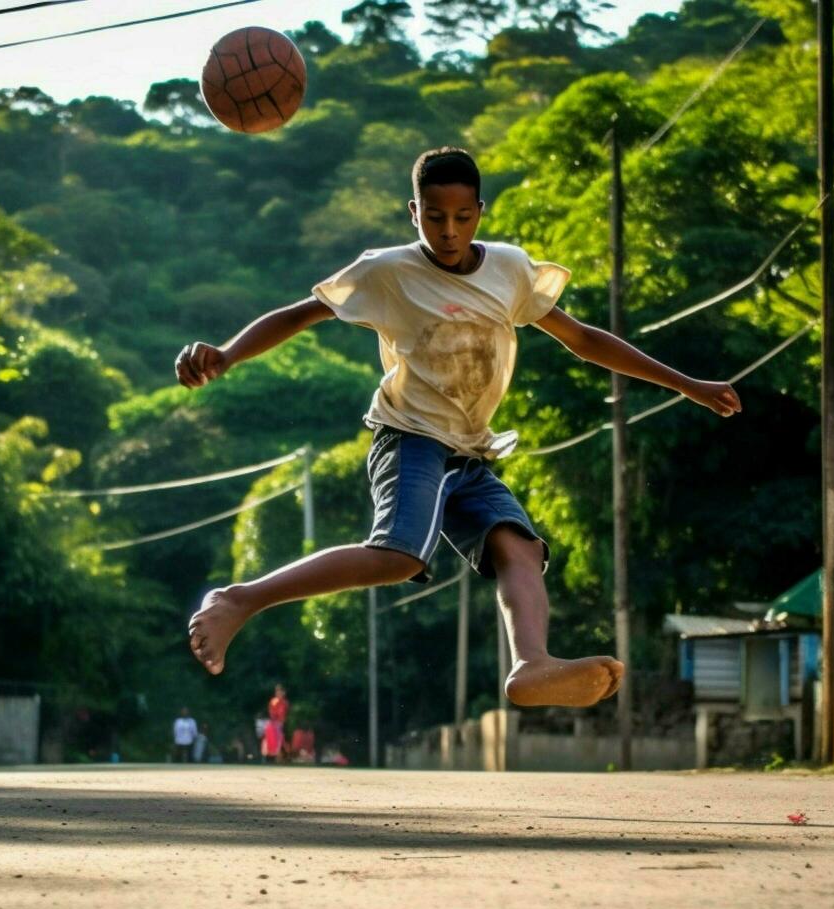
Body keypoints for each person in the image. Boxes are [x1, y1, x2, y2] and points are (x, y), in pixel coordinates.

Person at [177, 147, 741, 709]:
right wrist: (226, 354)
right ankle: (242, 599)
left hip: (470, 450)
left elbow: (584, 339)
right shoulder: (386, 271)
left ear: (480, 212)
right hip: (410, 438)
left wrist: (686, 384)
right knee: (401, 556)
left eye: (462, 217)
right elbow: (301, 314)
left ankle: (531, 665)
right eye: (434, 216)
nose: (448, 231)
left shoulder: (510, 269)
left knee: (519, 548)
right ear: (413, 212)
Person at [263, 685, 289, 764]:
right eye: (277, 691)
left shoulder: (285, 702)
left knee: (280, 741)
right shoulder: (273, 701)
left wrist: (281, 722)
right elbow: (271, 712)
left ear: (284, 693)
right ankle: (271, 757)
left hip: (281, 723)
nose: (278, 693)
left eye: (280, 691)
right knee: (271, 739)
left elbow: (284, 714)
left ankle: (282, 757)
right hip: (273, 723)